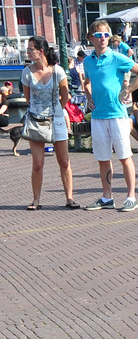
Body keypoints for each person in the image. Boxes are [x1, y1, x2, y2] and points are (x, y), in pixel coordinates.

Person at [82, 19, 138, 212]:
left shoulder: (117, 57)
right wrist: (88, 96)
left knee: (124, 156)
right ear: (91, 38)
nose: (103, 39)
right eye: (98, 35)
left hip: (117, 115)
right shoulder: (88, 61)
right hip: (98, 116)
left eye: (106, 35)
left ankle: (131, 196)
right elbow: (86, 82)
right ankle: (107, 197)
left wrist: (128, 89)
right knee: (103, 158)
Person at [20, 36, 77, 210]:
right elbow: (28, 97)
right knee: (38, 163)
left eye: (31, 49)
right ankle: (36, 199)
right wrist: (39, 111)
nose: (28, 52)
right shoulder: (27, 72)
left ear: (41, 51)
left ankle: (69, 197)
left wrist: (57, 110)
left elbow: (65, 95)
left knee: (64, 161)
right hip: (36, 120)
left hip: (56, 118)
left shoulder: (57, 71)